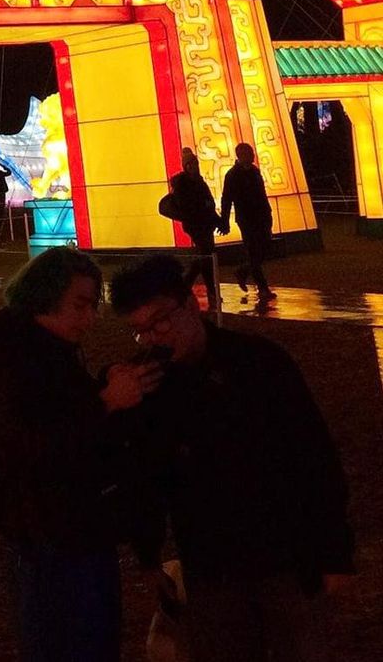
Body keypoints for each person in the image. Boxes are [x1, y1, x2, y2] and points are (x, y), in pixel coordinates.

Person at [109, 255, 355, 662]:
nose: (153, 338)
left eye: (160, 322)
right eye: (139, 331)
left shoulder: (260, 363)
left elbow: (314, 457)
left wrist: (334, 552)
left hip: (286, 557)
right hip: (210, 567)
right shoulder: (148, 387)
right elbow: (145, 476)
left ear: (191, 304)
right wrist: (148, 555)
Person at [0, 247, 163, 660]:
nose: (90, 319)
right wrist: (107, 402)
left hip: (77, 526)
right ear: (44, 294)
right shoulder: (6, 357)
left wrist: (104, 386)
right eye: (80, 305)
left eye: (93, 306)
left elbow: (62, 420)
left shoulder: (46, 349)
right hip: (49, 536)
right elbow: (27, 444)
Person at [164, 147, 225, 308]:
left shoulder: (199, 181)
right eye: (189, 164)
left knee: (206, 258)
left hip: (205, 224)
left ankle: (205, 290)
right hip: (195, 224)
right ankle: (187, 287)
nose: (193, 167)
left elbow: (208, 203)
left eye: (194, 163)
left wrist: (215, 218)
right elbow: (189, 205)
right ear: (185, 166)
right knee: (205, 257)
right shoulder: (183, 184)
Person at [220, 142, 275, 300]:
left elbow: (262, 195)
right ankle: (263, 287)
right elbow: (226, 199)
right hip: (246, 219)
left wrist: (268, 214)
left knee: (263, 249)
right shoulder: (232, 175)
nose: (252, 156)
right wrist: (225, 220)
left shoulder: (254, 172)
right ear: (240, 155)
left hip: (261, 216)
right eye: (249, 153)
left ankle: (243, 271)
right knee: (253, 251)